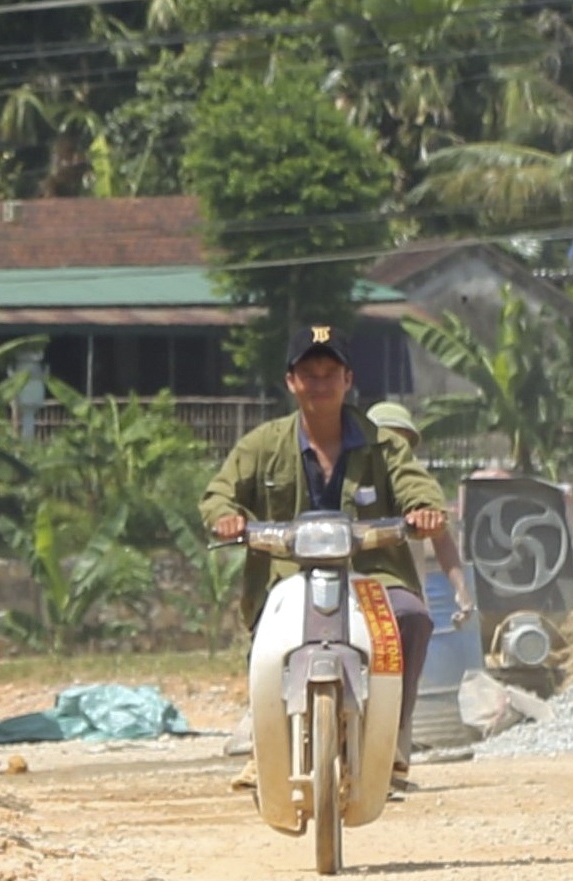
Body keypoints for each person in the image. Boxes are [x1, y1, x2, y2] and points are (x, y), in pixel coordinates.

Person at [201, 328, 448, 789]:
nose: (320, 383)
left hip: (372, 573)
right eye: (308, 374)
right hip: (288, 574)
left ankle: (392, 743)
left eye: (329, 373)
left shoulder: (382, 444)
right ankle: (264, 746)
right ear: (291, 381)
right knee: (269, 643)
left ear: (348, 379)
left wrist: (422, 510)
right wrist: (227, 518)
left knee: (412, 618)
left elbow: (416, 483)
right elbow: (219, 493)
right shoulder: (263, 445)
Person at [364, 401, 474, 629]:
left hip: (401, 594)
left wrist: (461, 589)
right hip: (353, 591)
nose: (391, 449)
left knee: (414, 625)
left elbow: (442, 538)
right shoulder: (347, 479)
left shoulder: (420, 489)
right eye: (383, 441)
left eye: (399, 443)